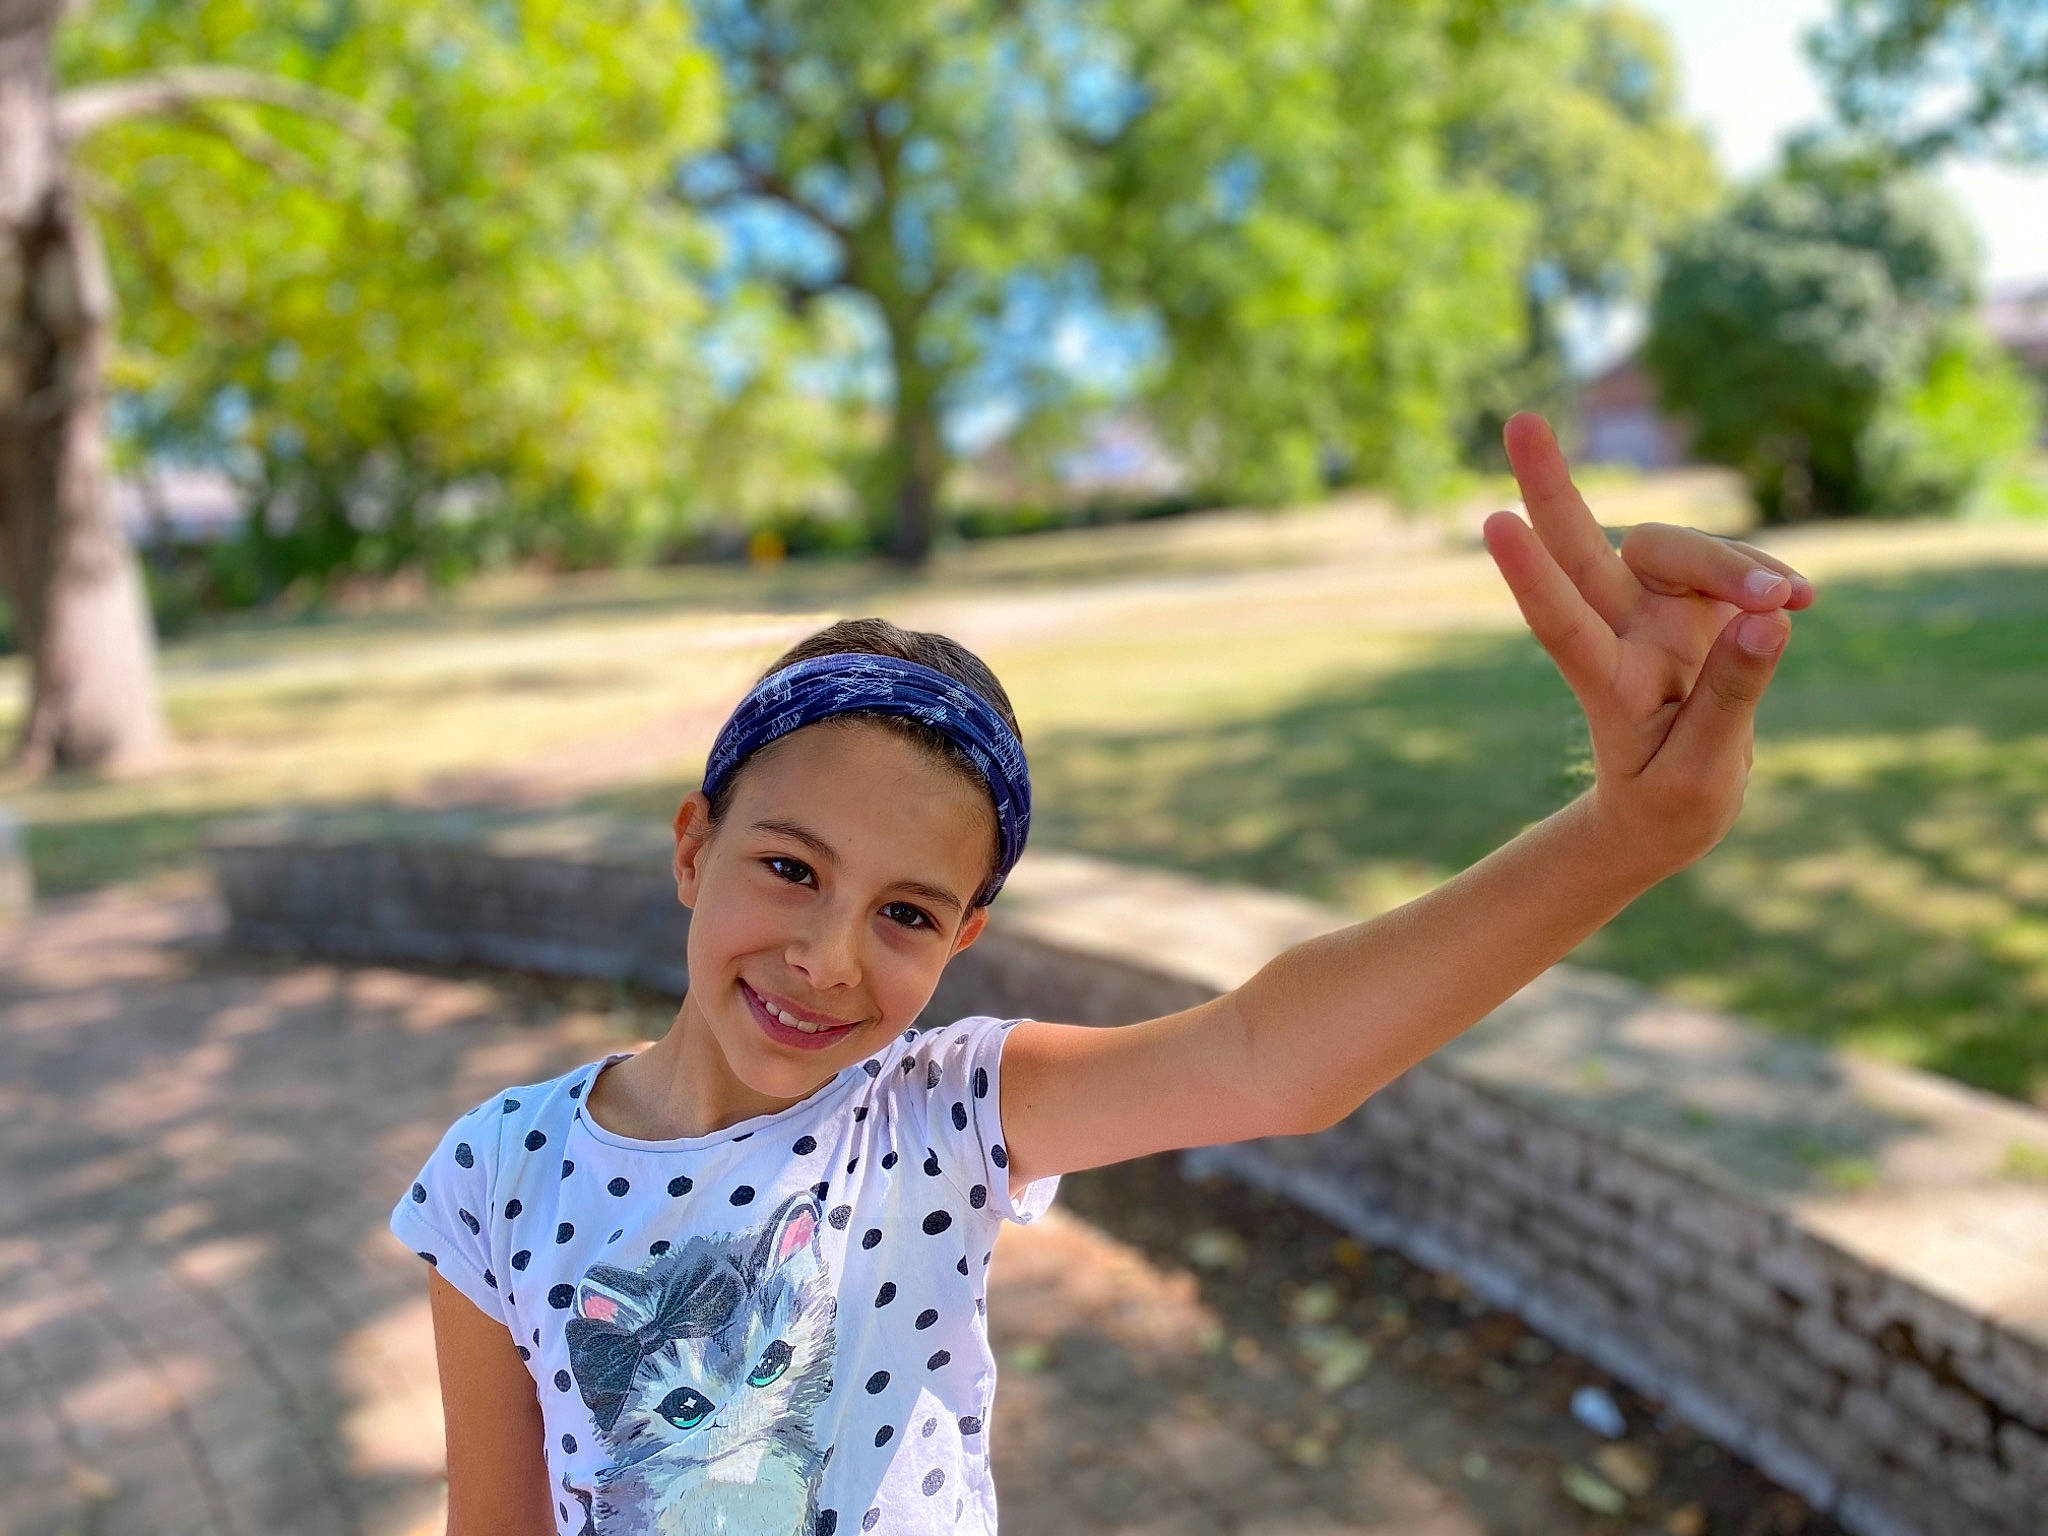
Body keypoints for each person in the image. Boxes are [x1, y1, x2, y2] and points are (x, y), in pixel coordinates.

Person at [391, 412, 1814, 1535]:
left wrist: (1629, 835)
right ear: (694, 846)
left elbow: (1270, 1055)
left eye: (906, 913)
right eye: (789, 868)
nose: (828, 957)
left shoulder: (941, 1116)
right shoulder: (495, 1174)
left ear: (962, 939)